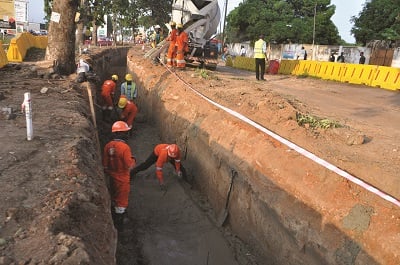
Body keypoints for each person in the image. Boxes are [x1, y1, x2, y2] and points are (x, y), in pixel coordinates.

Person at [102, 121, 136, 229]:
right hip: (122, 178)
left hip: (111, 177)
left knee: (114, 195)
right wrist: (134, 160)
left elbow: (105, 165)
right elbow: (130, 165)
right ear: (120, 133)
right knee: (122, 199)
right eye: (125, 132)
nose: (126, 134)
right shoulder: (124, 148)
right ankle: (119, 224)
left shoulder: (108, 146)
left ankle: (116, 213)